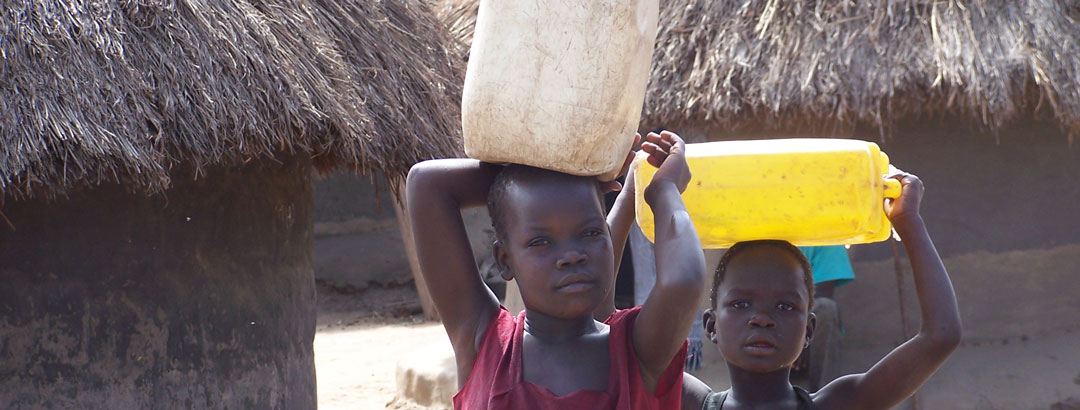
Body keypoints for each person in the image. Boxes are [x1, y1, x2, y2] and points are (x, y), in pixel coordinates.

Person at [406, 131, 706, 409]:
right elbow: (426, 183)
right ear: (504, 260)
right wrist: (550, 172)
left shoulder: (637, 351)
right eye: (541, 242)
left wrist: (663, 189)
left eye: (590, 233)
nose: (572, 256)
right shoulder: (486, 344)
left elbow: (683, 281)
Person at [685, 169, 962, 409]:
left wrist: (908, 220)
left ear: (809, 330)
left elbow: (942, 335)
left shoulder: (840, 404)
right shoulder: (690, 402)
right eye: (741, 304)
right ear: (710, 325)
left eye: (785, 306)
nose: (762, 319)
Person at [790, 245, 855, 391]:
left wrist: (801, 335)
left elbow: (822, 292)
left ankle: (825, 395)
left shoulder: (826, 235)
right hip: (771, 318)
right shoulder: (756, 233)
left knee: (826, 308)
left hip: (804, 320)